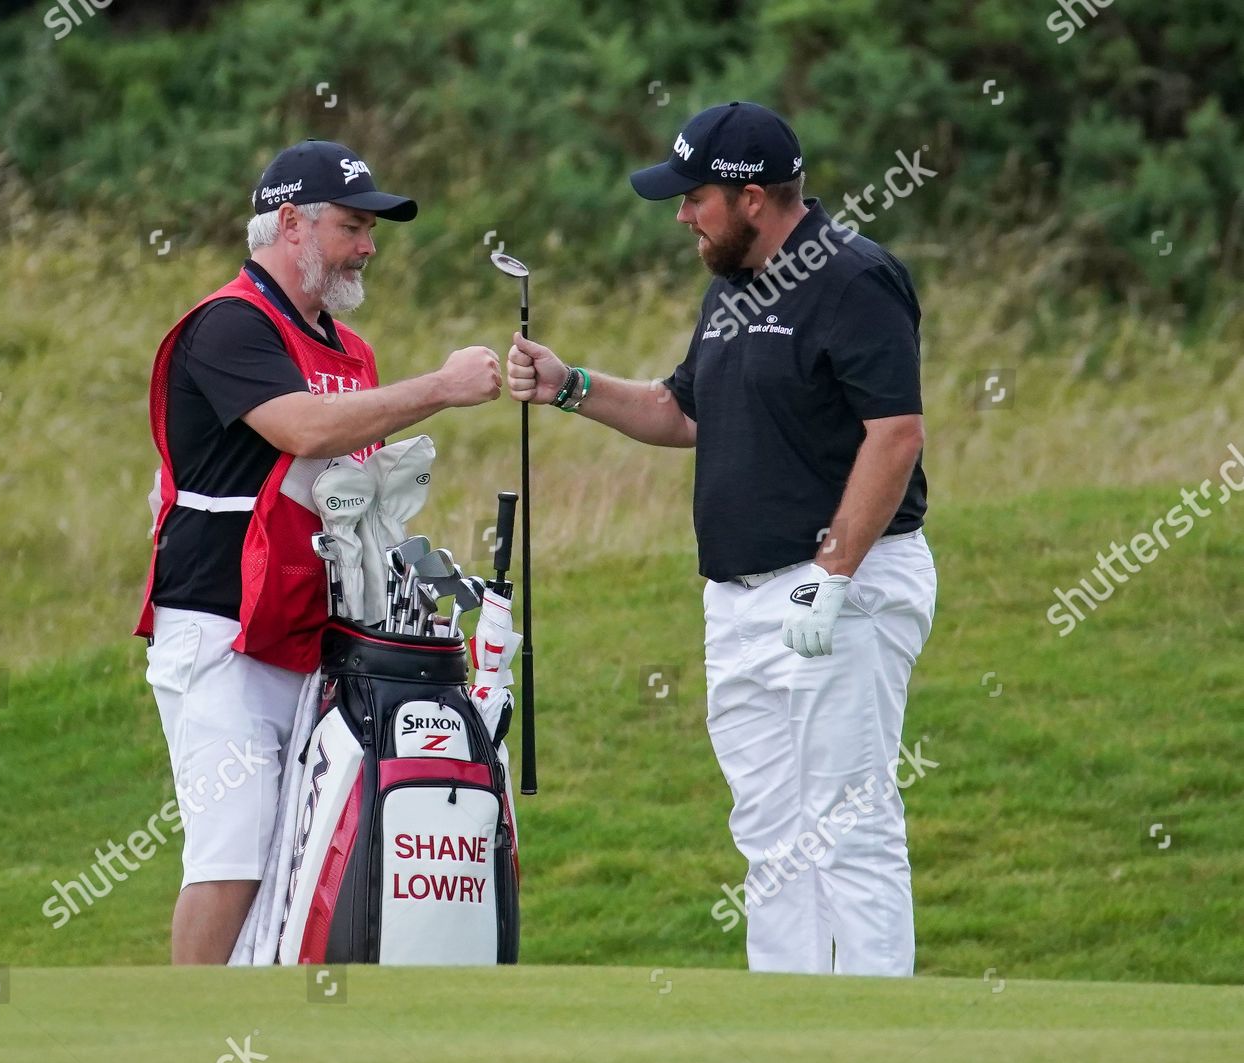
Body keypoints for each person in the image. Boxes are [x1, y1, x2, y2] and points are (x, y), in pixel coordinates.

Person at [506, 103, 936, 976]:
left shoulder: (854, 279)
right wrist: (569, 384)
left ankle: (880, 1039)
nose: (680, 214)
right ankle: (787, 1031)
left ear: (749, 198)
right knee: (771, 836)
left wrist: (835, 571)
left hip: (838, 585)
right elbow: (681, 410)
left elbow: (895, 433)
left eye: (693, 196)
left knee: (847, 823)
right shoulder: (732, 287)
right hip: (738, 599)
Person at [134, 139, 501, 964]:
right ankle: (184, 1037)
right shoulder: (229, 323)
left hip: (308, 633)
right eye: (352, 225)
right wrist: (439, 388)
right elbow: (299, 426)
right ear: (290, 222)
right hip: (220, 624)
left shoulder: (350, 348)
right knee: (232, 853)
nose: (368, 244)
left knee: (295, 852)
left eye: (371, 229)